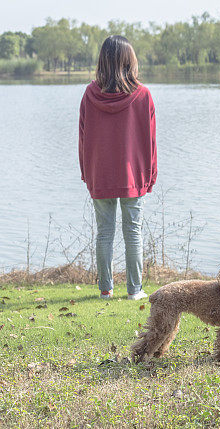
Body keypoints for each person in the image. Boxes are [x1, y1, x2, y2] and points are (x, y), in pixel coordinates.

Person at [79, 35, 157, 300]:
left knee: (104, 233)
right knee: (133, 233)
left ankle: (105, 290)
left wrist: (86, 173)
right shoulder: (143, 95)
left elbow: (83, 136)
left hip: (100, 174)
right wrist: (151, 173)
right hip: (133, 175)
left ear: (103, 61)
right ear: (129, 61)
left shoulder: (90, 94)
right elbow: (151, 140)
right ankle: (135, 291)